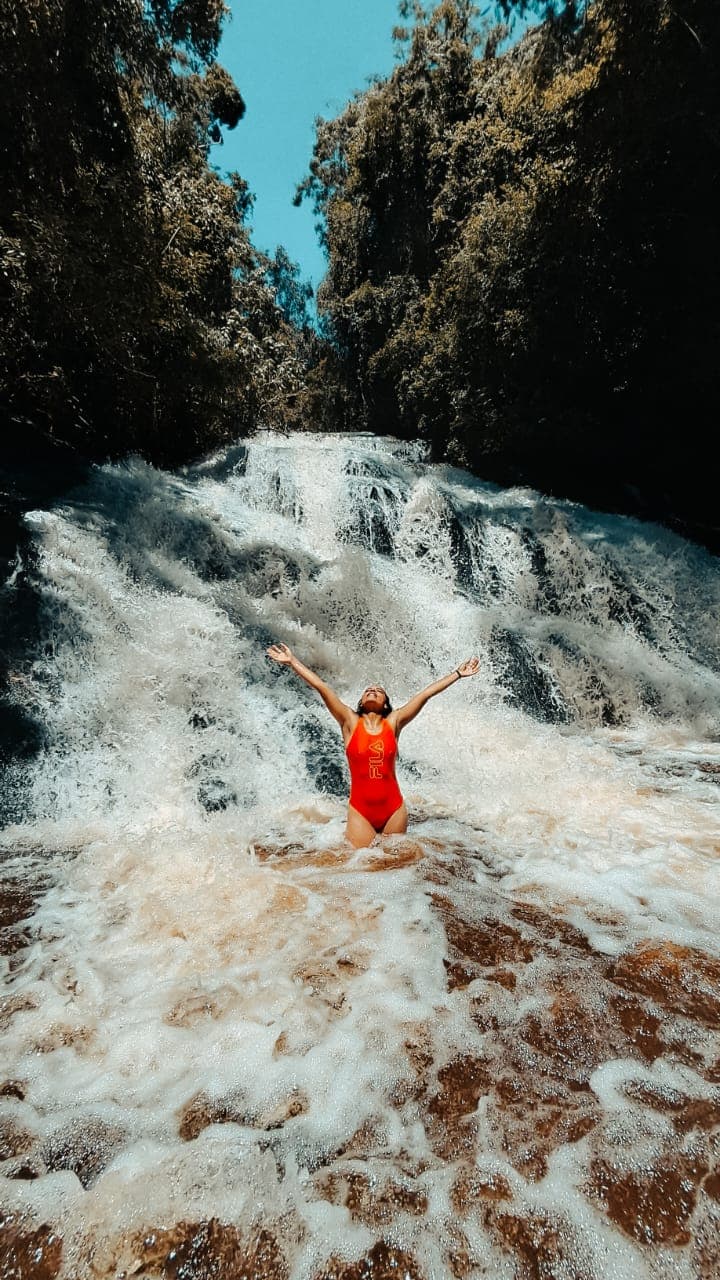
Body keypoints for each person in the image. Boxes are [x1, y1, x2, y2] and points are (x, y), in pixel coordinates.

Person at [265, 642, 480, 848]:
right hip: (361, 812)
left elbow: (425, 694)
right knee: (362, 864)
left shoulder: (394, 722)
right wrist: (292, 661)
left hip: (393, 810)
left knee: (395, 864)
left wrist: (458, 674)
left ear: (385, 704)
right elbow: (322, 687)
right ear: (361, 701)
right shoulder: (349, 722)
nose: (372, 691)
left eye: (379, 691)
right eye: (368, 690)